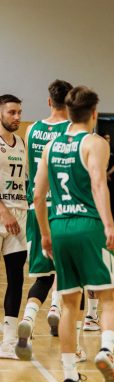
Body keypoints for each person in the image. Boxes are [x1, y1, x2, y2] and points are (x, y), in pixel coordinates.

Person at [33, 86, 114, 382]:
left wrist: (45, 234)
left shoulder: (50, 146)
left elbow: (37, 195)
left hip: (58, 226)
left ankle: (70, 375)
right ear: (94, 114)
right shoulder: (94, 143)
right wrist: (109, 225)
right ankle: (107, 351)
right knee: (109, 295)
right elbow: (99, 184)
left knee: (68, 302)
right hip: (88, 225)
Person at [15, 80, 74, 361]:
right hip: (64, 205)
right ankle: (55, 309)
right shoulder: (73, 131)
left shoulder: (33, 129)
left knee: (42, 271)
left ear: (49, 101)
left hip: (35, 206)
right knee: (65, 269)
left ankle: (28, 315)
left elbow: (28, 169)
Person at [0, 95, 28, 359]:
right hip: (1, 212)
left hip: (19, 215)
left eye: (19, 112)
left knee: (16, 277)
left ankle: (8, 340)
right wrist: (3, 210)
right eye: (11, 112)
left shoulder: (20, 142)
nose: (17, 117)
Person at [103, 133, 114, 220]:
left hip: (111, 180)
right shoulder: (98, 149)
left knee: (112, 201)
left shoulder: (113, 150)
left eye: (108, 138)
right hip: (101, 180)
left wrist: (108, 174)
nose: (107, 140)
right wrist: (103, 174)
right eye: (105, 138)